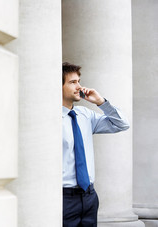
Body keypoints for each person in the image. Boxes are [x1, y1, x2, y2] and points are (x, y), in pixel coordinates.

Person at [62, 62, 130, 226]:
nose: (79, 86)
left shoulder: (85, 115)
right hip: (63, 197)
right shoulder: (48, 119)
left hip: (89, 196)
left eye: (79, 81)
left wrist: (101, 102)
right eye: (72, 82)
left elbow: (121, 124)